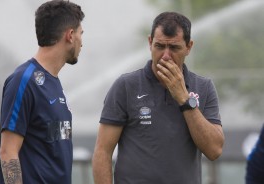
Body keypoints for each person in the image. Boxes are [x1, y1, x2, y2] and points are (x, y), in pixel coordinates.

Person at [92, 12, 224, 184]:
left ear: (189, 47)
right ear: (150, 43)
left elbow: (214, 150)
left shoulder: (204, 87)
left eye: (174, 48)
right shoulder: (125, 86)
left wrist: (184, 99)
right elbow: (102, 152)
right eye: (160, 46)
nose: (166, 56)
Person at [0, 1, 84, 184]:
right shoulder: (23, 80)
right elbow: (8, 152)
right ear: (70, 35)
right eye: (80, 33)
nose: (82, 42)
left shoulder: (53, 83)